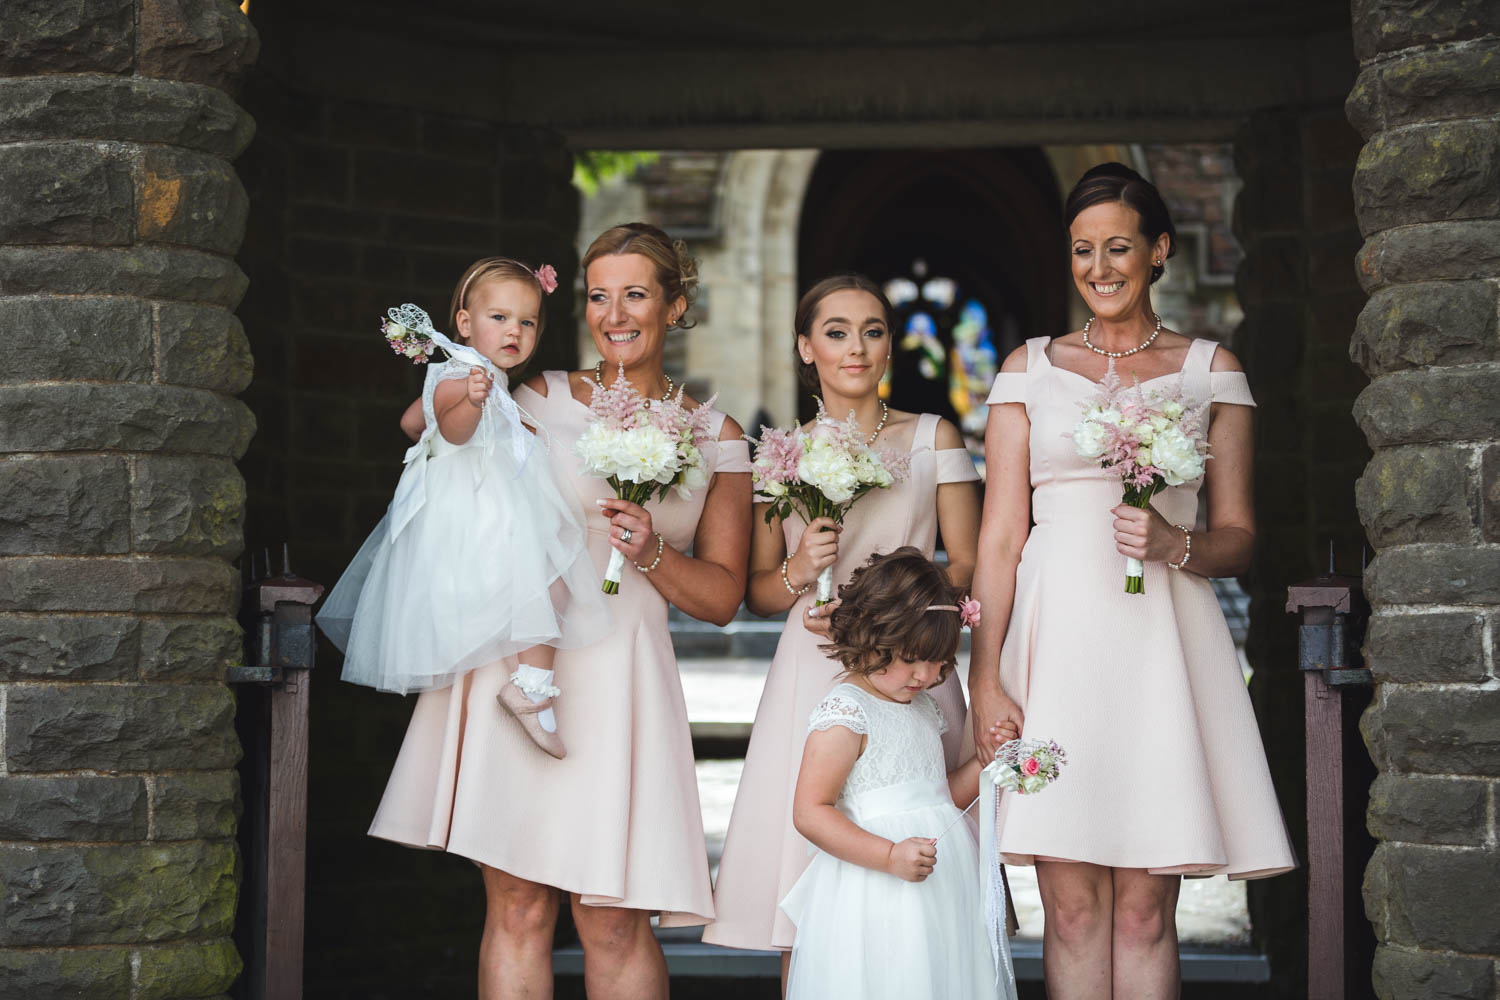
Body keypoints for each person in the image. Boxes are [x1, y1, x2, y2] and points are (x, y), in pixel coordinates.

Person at [372, 224, 752, 1000]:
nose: (614, 314)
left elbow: (721, 598)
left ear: (676, 306)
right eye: (598, 295)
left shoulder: (718, 436)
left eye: (636, 294)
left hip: (623, 680)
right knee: (516, 907)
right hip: (521, 664)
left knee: (613, 920)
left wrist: (650, 551)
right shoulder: (538, 397)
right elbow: (445, 455)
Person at [969, 162, 1296, 998]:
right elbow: (1001, 535)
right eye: (1083, 250)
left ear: (1158, 252)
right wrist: (986, 674)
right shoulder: (1026, 369)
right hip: (1055, 647)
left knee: (1147, 909)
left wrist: (1174, 542)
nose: (1100, 268)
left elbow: (1241, 539)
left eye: (1119, 247)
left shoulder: (1209, 370)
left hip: (1161, 646)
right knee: (1070, 908)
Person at [705, 275, 983, 985]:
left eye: (872, 330)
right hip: (816, 667)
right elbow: (760, 595)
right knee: (808, 894)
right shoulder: (780, 455)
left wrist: (899, 610)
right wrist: (801, 569)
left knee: (932, 886)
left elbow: (970, 563)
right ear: (806, 346)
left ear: (889, 343)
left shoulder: (932, 438)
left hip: (912, 668)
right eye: (836, 331)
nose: (856, 347)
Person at [318, 256, 608, 759]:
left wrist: (485, 420)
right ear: (465, 323)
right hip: (480, 510)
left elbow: (414, 422)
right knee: (549, 580)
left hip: (484, 501)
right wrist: (470, 407)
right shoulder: (468, 375)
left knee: (549, 579)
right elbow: (451, 427)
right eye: (499, 318)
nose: (514, 330)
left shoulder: (475, 375)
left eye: (527, 321)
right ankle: (531, 687)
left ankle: (530, 683)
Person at [780, 548, 1014, 1000]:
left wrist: (988, 760)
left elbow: (937, 796)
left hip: (940, 880)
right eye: (912, 659)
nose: (926, 676)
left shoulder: (921, 706)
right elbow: (810, 812)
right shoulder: (847, 712)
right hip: (876, 884)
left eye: (939, 663)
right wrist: (888, 856)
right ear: (873, 638)